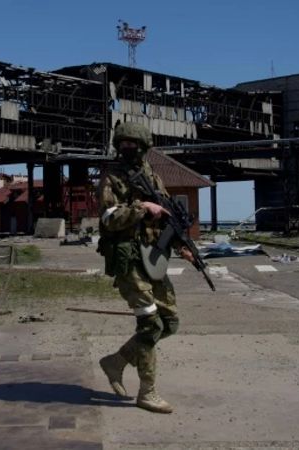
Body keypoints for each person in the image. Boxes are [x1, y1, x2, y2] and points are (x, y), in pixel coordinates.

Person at [96, 122, 194, 414]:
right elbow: (107, 218)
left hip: (153, 257)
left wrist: (182, 246)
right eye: (122, 143)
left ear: (144, 147)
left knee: (170, 322)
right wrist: (141, 208)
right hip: (128, 261)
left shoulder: (152, 175)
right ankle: (147, 393)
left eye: (133, 144)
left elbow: (166, 218)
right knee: (150, 324)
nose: (127, 148)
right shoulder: (111, 176)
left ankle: (116, 361)